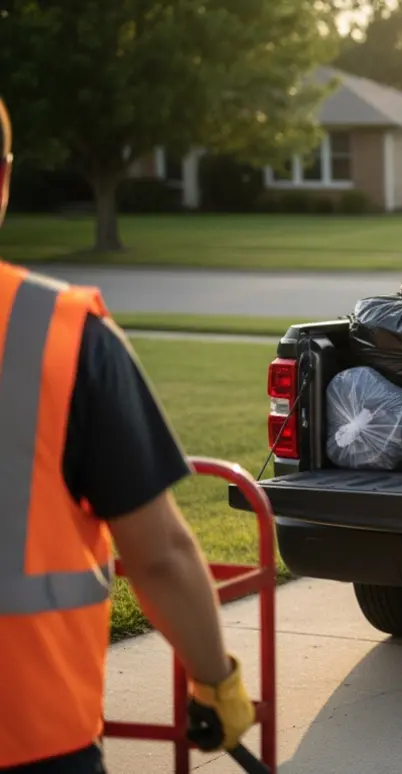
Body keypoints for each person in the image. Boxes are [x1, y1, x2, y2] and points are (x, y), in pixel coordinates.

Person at [0, 97, 256, 772]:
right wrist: (216, 679)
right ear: (2, 179)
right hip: (31, 736)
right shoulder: (58, 335)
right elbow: (160, 554)